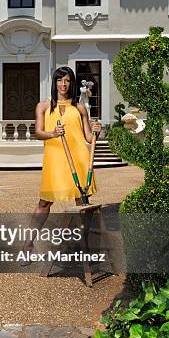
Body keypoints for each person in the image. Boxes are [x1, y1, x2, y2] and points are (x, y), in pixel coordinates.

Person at [30, 66, 101, 235]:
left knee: (82, 203)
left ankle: (81, 245)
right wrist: (53, 133)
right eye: (60, 80)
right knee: (44, 203)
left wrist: (97, 131)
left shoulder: (79, 108)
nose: (64, 84)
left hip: (80, 160)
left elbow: (88, 138)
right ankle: (28, 243)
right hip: (55, 161)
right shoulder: (43, 106)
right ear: (55, 83)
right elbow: (38, 133)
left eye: (68, 80)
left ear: (72, 83)